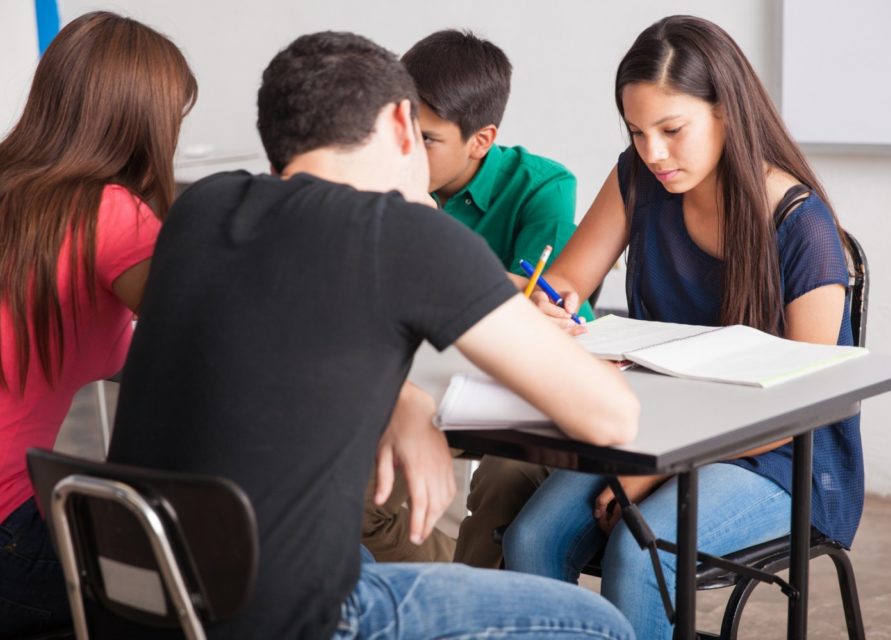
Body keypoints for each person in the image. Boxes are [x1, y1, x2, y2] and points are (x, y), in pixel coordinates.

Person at [107, 31, 639, 640]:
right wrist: (414, 199)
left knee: (367, 552)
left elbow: (288, 346)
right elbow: (612, 419)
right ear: (400, 122)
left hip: (143, 597)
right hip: (291, 619)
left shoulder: (200, 208)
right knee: (597, 625)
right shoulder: (405, 234)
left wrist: (405, 399)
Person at [499, 15, 862, 640]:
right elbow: (564, 284)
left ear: (727, 112)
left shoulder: (802, 226)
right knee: (533, 539)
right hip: (653, 431)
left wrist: (653, 472)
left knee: (638, 554)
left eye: (672, 130)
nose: (653, 154)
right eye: (638, 133)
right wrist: (539, 303)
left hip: (776, 460)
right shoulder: (639, 179)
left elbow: (798, 410)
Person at [358, 29, 590, 566]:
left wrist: (434, 240)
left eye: (428, 139)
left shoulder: (543, 186)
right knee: (355, 489)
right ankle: (451, 582)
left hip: (520, 385)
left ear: (481, 140)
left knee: (504, 487)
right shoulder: (377, 174)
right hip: (425, 380)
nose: (406, 151)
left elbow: (539, 309)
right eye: (401, 130)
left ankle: (469, 594)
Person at [0, 12, 196, 638]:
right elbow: (208, 344)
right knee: (217, 589)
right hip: (8, 541)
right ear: (141, 122)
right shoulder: (113, 217)